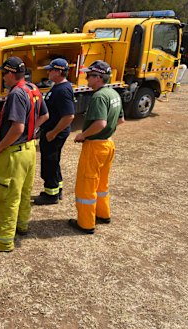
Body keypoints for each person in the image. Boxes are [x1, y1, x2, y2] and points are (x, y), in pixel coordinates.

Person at [0, 56, 49, 253]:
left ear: (11, 74)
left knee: (7, 197)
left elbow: (17, 128)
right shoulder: (33, 89)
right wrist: (31, 130)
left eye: (4, 74)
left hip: (15, 153)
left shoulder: (16, 94)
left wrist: (0, 146)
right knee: (24, 192)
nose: (2, 78)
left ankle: (3, 241)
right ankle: (22, 225)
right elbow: (45, 115)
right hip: (29, 151)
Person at [70, 60, 124, 234]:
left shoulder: (99, 96)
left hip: (95, 146)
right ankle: (103, 214)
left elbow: (100, 123)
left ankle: (86, 223)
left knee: (87, 185)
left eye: (89, 75)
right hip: (108, 144)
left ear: (98, 77)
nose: (86, 78)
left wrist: (83, 135)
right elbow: (121, 120)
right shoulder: (113, 93)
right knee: (101, 184)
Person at [34, 58, 75, 205]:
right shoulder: (59, 87)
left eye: (50, 70)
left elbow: (69, 116)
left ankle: (50, 194)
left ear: (58, 71)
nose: (48, 72)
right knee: (54, 160)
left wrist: (53, 133)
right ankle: (57, 189)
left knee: (49, 162)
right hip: (52, 131)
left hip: (54, 133)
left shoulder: (63, 90)